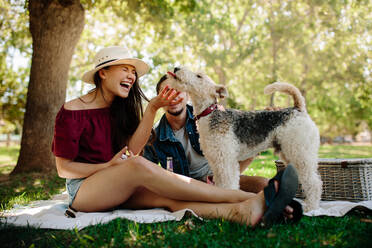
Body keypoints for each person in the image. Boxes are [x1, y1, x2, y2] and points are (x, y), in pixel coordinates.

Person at [52, 45, 299, 226]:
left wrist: (151, 108)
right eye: (125, 69)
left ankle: (244, 213)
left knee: (170, 199)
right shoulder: (73, 111)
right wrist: (108, 165)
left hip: (118, 184)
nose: (132, 75)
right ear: (103, 72)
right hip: (84, 192)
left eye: (133, 72)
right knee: (139, 166)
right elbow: (64, 169)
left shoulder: (122, 109)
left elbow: (131, 151)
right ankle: (251, 198)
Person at [143, 75, 269, 193]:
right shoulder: (155, 135)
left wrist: (265, 121)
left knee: (264, 185)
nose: (173, 97)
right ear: (159, 98)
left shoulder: (209, 116)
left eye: (178, 90)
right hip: (187, 190)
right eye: (166, 92)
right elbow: (144, 172)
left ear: (188, 95)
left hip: (218, 180)